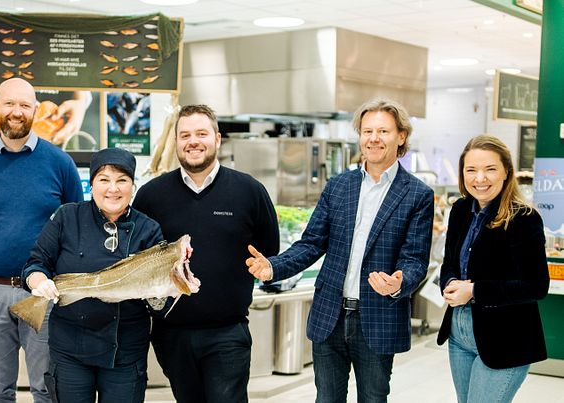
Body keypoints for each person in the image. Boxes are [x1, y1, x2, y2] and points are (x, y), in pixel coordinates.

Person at [246, 97, 434, 403]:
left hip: (377, 318)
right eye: (367, 130)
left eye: (383, 131)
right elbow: (311, 243)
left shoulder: (417, 194)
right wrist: (274, 267)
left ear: (401, 136)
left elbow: (414, 258)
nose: (373, 138)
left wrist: (400, 280)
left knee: (373, 399)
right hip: (329, 315)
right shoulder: (338, 186)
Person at [133, 104, 280, 403]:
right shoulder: (151, 195)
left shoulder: (249, 191)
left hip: (227, 332)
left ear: (217, 139)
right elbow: (138, 259)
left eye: (201, 133)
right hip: (171, 333)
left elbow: (269, 251)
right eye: (185, 135)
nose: (193, 141)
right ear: (176, 142)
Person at [0, 77, 83, 402]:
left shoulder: (60, 163)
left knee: (46, 388)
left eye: (24, 105)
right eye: (9, 103)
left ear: (35, 109)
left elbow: (74, 226)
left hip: (43, 293)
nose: (16, 111)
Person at [21, 148, 163, 403]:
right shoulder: (67, 216)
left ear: (133, 185)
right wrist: (39, 281)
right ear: (91, 183)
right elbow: (35, 263)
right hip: (70, 349)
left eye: (122, 180)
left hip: (125, 350)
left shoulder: (148, 229)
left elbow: (157, 302)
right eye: (104, 179)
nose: (113, 189)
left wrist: (167, 288)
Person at [437, 135, 549, 403]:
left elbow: (536, 285)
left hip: (506, 338)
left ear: (506, 172)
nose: (480, 179)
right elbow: (450, 261)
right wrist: (451, 281)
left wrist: (475, 290)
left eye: (490, 169)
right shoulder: (461, 210)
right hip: (459, 332)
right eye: (471, 170)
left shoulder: (523, 218)